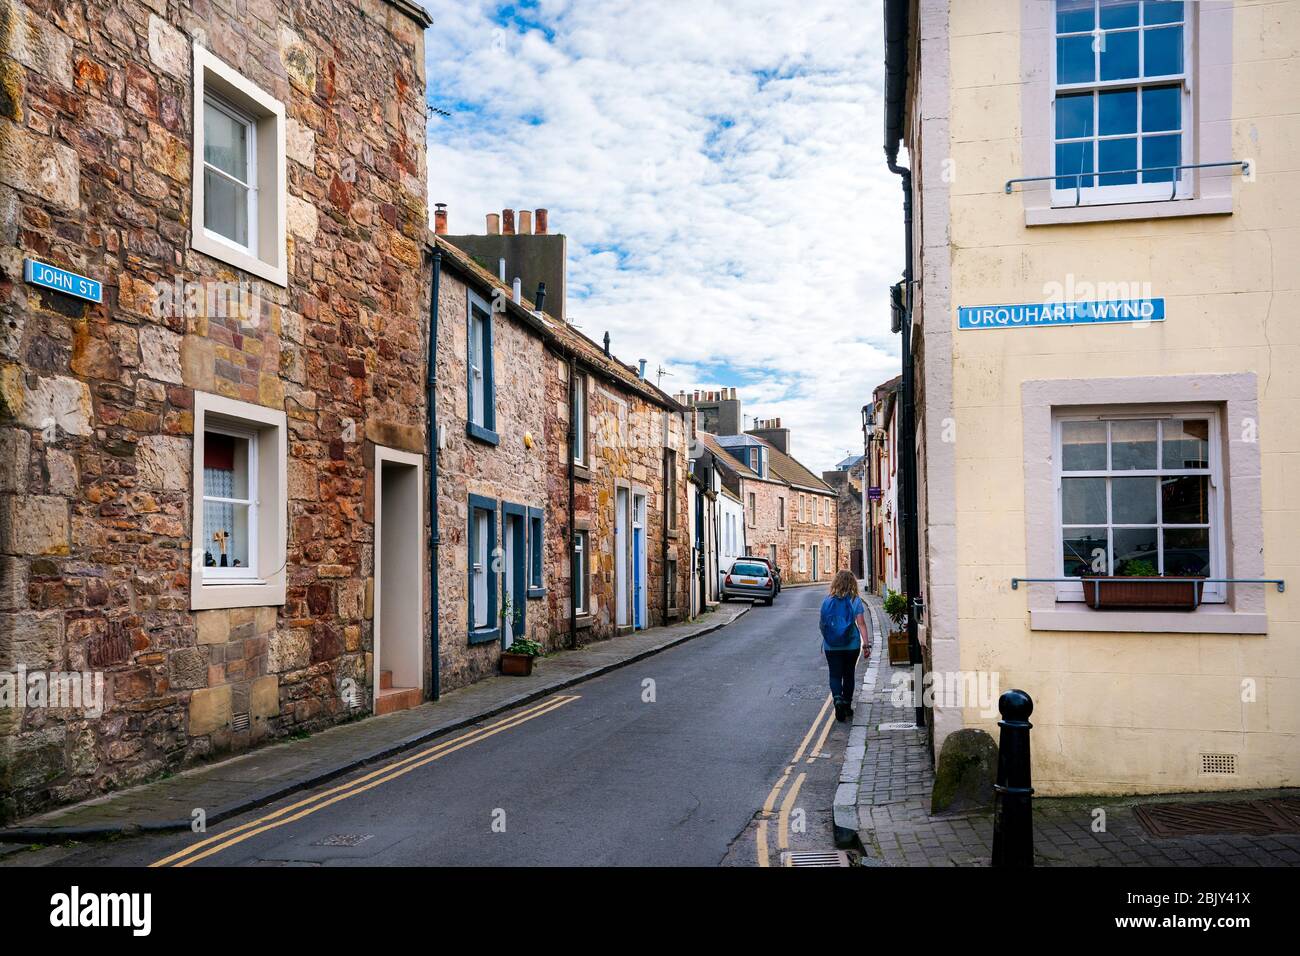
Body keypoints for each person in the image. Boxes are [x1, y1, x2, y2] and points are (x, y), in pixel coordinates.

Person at [818, 570, 871, 722]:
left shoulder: (827, 601)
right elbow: (861, 624)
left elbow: (822, 625)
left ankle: (837, 700)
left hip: (831, 646)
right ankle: (847, 705)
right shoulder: (855, 600)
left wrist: (828, 638)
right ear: (852, 583)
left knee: (835, 674)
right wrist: (866, 645)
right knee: (848, 674)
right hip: (851, 645)